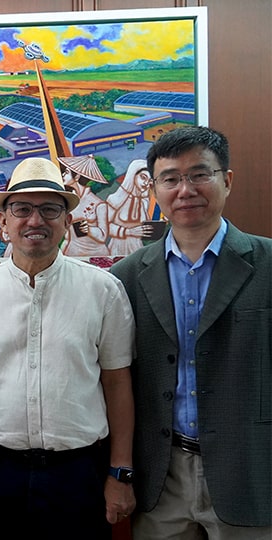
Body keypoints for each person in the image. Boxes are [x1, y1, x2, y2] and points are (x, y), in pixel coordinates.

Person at [0, 156, 136, 539]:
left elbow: (118, 384)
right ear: (3, 223)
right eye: (22, 209)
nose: (36, 220)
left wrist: (120, 471)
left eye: (50, 209)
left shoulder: (104, 290)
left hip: (80, 473)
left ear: (66, 222)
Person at [110, 126, 271, 539]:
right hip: (161, 475)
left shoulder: (268, 263)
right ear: (155, 189)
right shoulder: (125, 277)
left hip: (250, 470)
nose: (185, 189)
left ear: (227, 181)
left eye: (200, 174)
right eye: (171, 179)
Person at [60, 154, 112, 257]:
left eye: (66, 172)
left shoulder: (99, 205)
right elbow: (67, 237)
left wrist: (89, 229)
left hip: (96, 256)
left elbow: (103, 237)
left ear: (77, 176)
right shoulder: (68, 201)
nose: (62, 175)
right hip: (72, 254)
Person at [107, 159, 154, 255]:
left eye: (149, 181)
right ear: (133, 175)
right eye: (143, 177)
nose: (145, 184)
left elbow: (145, 226)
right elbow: (104, 225)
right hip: (118, 247)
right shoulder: (115, 199)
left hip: (137, 247)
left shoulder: (144, 201)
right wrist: (128, 231)